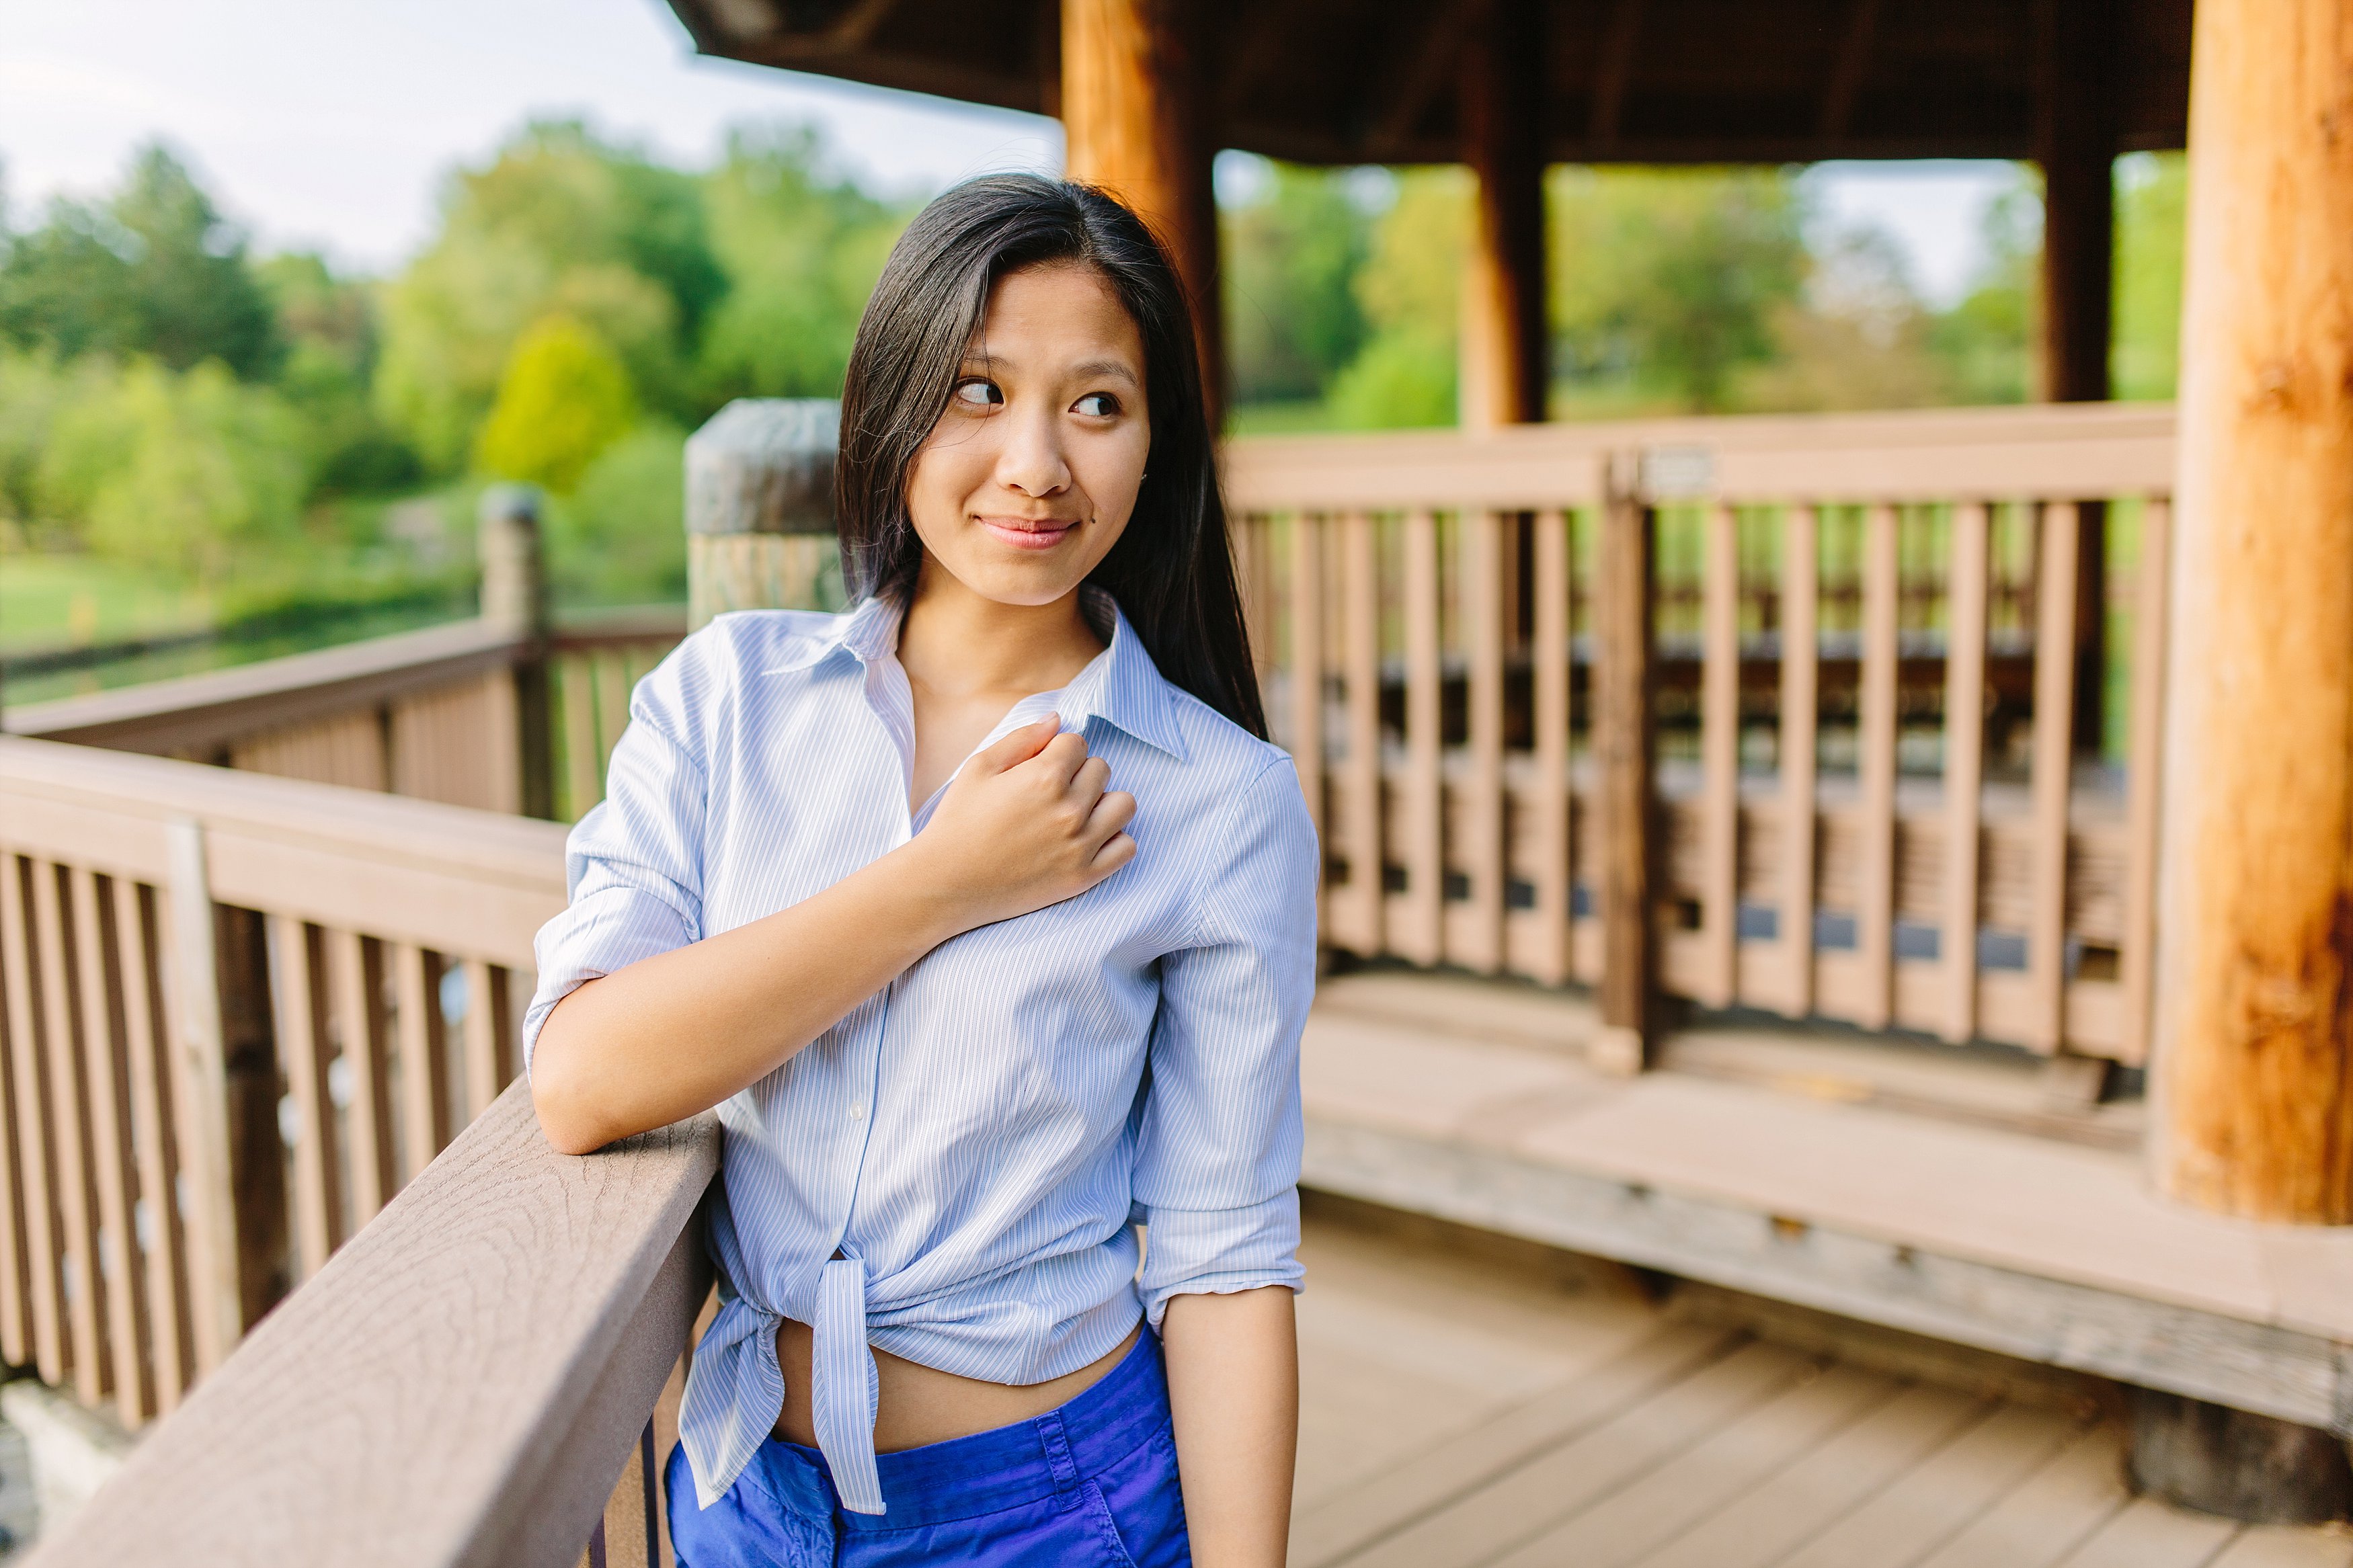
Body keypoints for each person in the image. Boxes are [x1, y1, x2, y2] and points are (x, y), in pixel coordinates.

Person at [524, 174, 1317, 1567]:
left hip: (1052, 1508)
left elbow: (1226, 1257)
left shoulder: (1220, 800)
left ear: (1154, 445)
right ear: (893, 402)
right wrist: (943, 881)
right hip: (744, 1497)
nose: (1034, 464)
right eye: (974, 390)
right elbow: (587, 1080)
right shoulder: (727, 700)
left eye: (1096, 405)